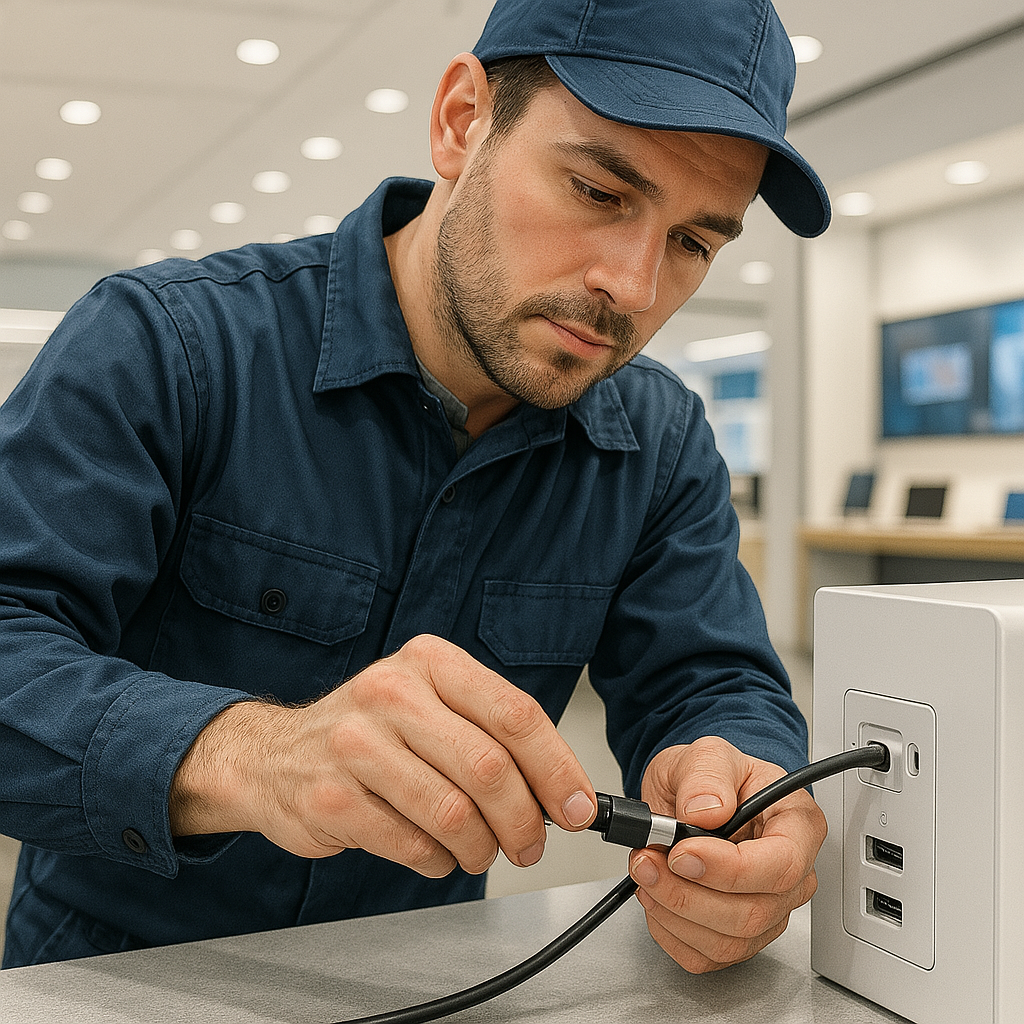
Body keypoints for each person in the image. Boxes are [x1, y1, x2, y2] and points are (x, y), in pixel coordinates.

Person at [0, 0, 831, 974]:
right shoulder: (171, 349)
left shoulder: (657, 441)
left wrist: (744, 785)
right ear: (459, 120)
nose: (636, 287)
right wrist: (251, 755)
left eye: (693, 242)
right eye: (599, 191)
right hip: (110, 973)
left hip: (426, 971)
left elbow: (711, 679)